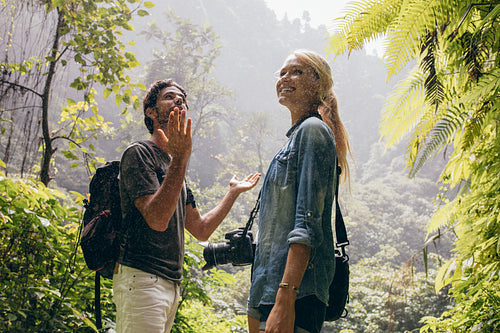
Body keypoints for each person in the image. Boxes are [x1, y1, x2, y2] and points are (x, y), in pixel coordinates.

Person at [114, 78, 261, 333]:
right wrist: (181, 157)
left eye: (182, 98)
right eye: (170, 96)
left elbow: (201, 229)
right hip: (141, 277)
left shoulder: (174, 167)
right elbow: (157, 219)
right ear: (150, 111)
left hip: (171, 283)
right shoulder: (139, 154)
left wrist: (232, 193)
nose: (179, 99)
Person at [247, 50, 353, 333]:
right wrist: (257, 303)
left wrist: (285, 299)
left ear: (318, 84)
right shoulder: (294, 139)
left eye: (296, 72)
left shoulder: (313, 132)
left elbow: (307, 224)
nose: (285, 78)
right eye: (281, 73)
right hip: (269, 293)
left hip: (296, 295)